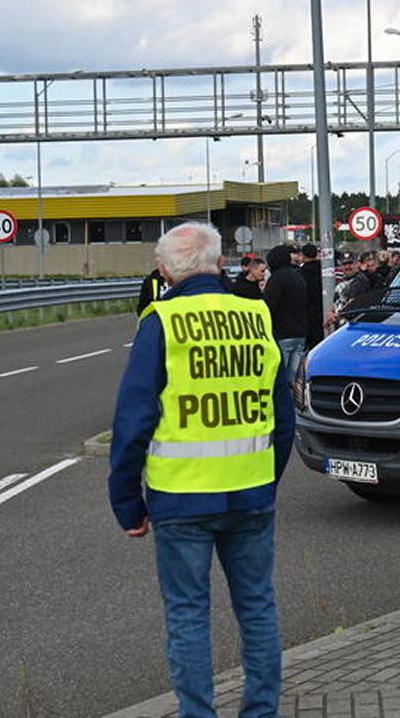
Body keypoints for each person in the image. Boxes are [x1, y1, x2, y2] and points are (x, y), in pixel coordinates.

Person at [107, 222, 295, 718]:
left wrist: (127, 502)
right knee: (257, 607)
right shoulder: (256, 315)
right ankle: (260, 711)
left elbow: (133, 420)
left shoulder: (162, 320)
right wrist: (267, 475)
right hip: (251, 493)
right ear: (219, 263)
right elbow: (284, 414)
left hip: (181, 498)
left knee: (188, 615)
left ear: (166, 271)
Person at [263, 244, 308, 384]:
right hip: (300, 333)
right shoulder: (298, 276)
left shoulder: (277, 279)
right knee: (294, 380)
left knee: (279, 379)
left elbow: (269, 306)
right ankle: (295, 405)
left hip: (282, 334)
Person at [300, 243, 324, 350]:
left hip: (308, 316)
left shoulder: (300, 275)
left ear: (303, 256)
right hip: (324, 314)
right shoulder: (325, 272)